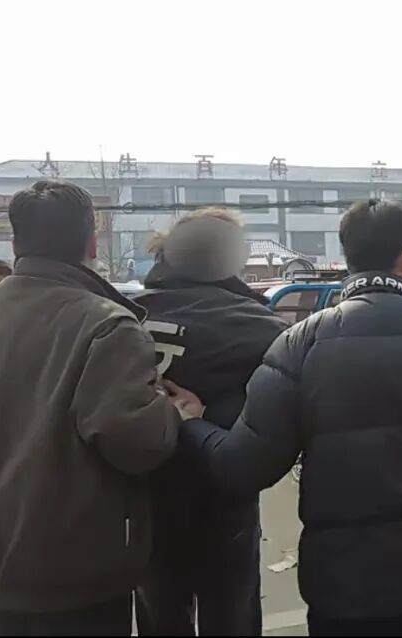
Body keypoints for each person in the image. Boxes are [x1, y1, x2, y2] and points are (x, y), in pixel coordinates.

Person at [169, 199, 402, 636]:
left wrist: (194, 423)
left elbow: (244, 464)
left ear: (348, 256)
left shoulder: (300, 345)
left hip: (341, 588)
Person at [0, 180, 181, 636]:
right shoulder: (107, 325)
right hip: (64, 581)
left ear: (15, 243)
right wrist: (174, 412)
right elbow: (136, 444)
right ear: (91, 243)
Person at [133, 209, 289, 636]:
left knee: (160, 615)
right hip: (223, 499)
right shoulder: (260, 326)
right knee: (231, 614)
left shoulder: (127, 316)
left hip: (146, 496)